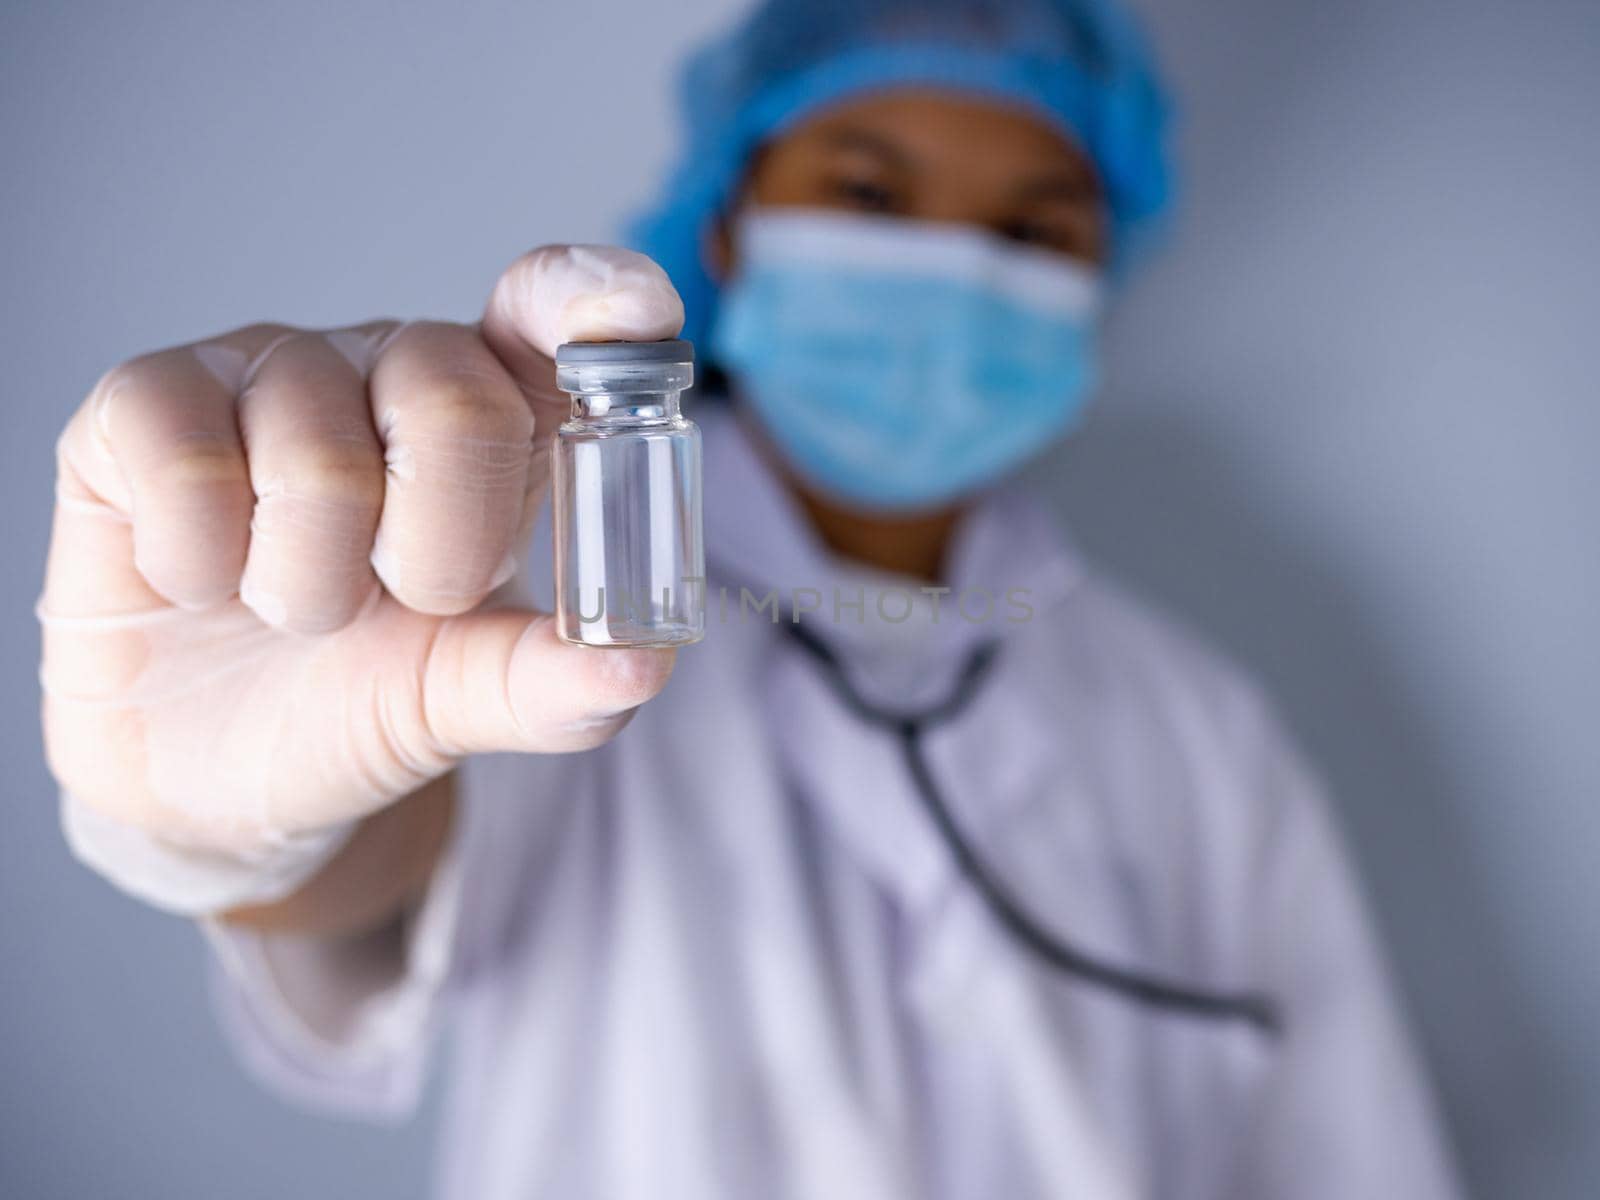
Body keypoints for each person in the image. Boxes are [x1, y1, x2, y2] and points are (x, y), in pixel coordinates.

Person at [37, 1, 1465, 1196]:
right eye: (867, 193)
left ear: (1099, 285)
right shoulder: (521, 599)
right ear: (724, 227)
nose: (957, 267)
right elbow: (369, 891)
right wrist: (239, 830)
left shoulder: (1199, 729)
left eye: (1036, 232)